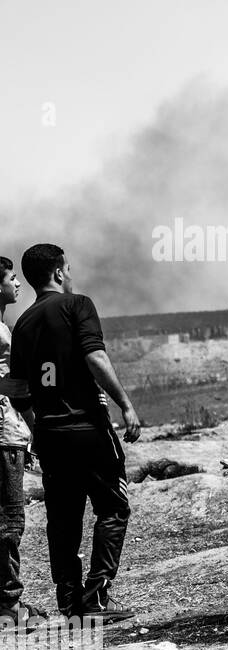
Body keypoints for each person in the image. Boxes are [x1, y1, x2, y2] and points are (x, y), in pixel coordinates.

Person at [9, 244, 139, 623]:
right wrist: (126, 405)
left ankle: (69, 602)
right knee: (113, 507)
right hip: (88, 429)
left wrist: (39, 425)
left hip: (51, 434)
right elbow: (95, 357)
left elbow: (18, 391)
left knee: (63, 520)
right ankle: (97, 596)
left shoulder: (24, 324)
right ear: (59, 273)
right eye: (68, 267)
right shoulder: (78, 305)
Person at [0, 257, 44, 632]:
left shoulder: (3, 327)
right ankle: (7, 604)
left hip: (9, 433)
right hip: (3, 436)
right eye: (11, 278)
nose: (17, 282)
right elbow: (10, 387)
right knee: (9, 519)